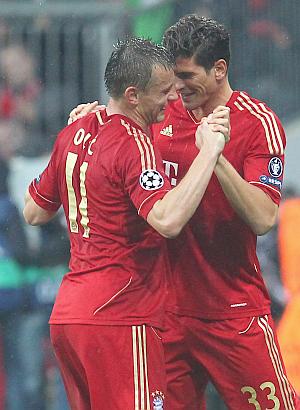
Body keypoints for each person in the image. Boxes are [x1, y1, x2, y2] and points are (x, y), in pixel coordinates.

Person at [69, 16, 299, 410]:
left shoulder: (258, 124)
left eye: (187, 75)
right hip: (165, 315)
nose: (176, 87)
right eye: (171, 76)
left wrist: (216, 155)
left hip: (234, 314)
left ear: (219, 69)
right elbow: (117, 145)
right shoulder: (158, 114)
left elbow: (262, 218)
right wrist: (91, 126)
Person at [23, 37, 229, 410]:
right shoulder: (136, 143)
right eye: (164, 91)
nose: (173, 98)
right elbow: (166, 220)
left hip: (69, 318)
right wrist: (210, 152)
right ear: (133, 95)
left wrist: (68, 145)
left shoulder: (74, 132)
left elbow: (34, 212)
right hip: (119, 316)